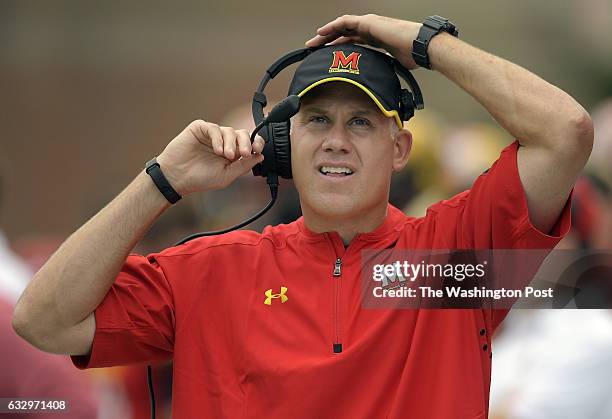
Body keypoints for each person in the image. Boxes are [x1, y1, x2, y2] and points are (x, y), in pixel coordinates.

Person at [12, 14, 593, 419]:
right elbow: (42, 321)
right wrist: (161, 180)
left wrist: (422, 41)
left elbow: (563, 131)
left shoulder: (453, 257)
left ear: (400, 149)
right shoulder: (209, 272)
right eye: (317, 121)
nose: (336, 141)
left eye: (361, 122)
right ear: (284, 142)